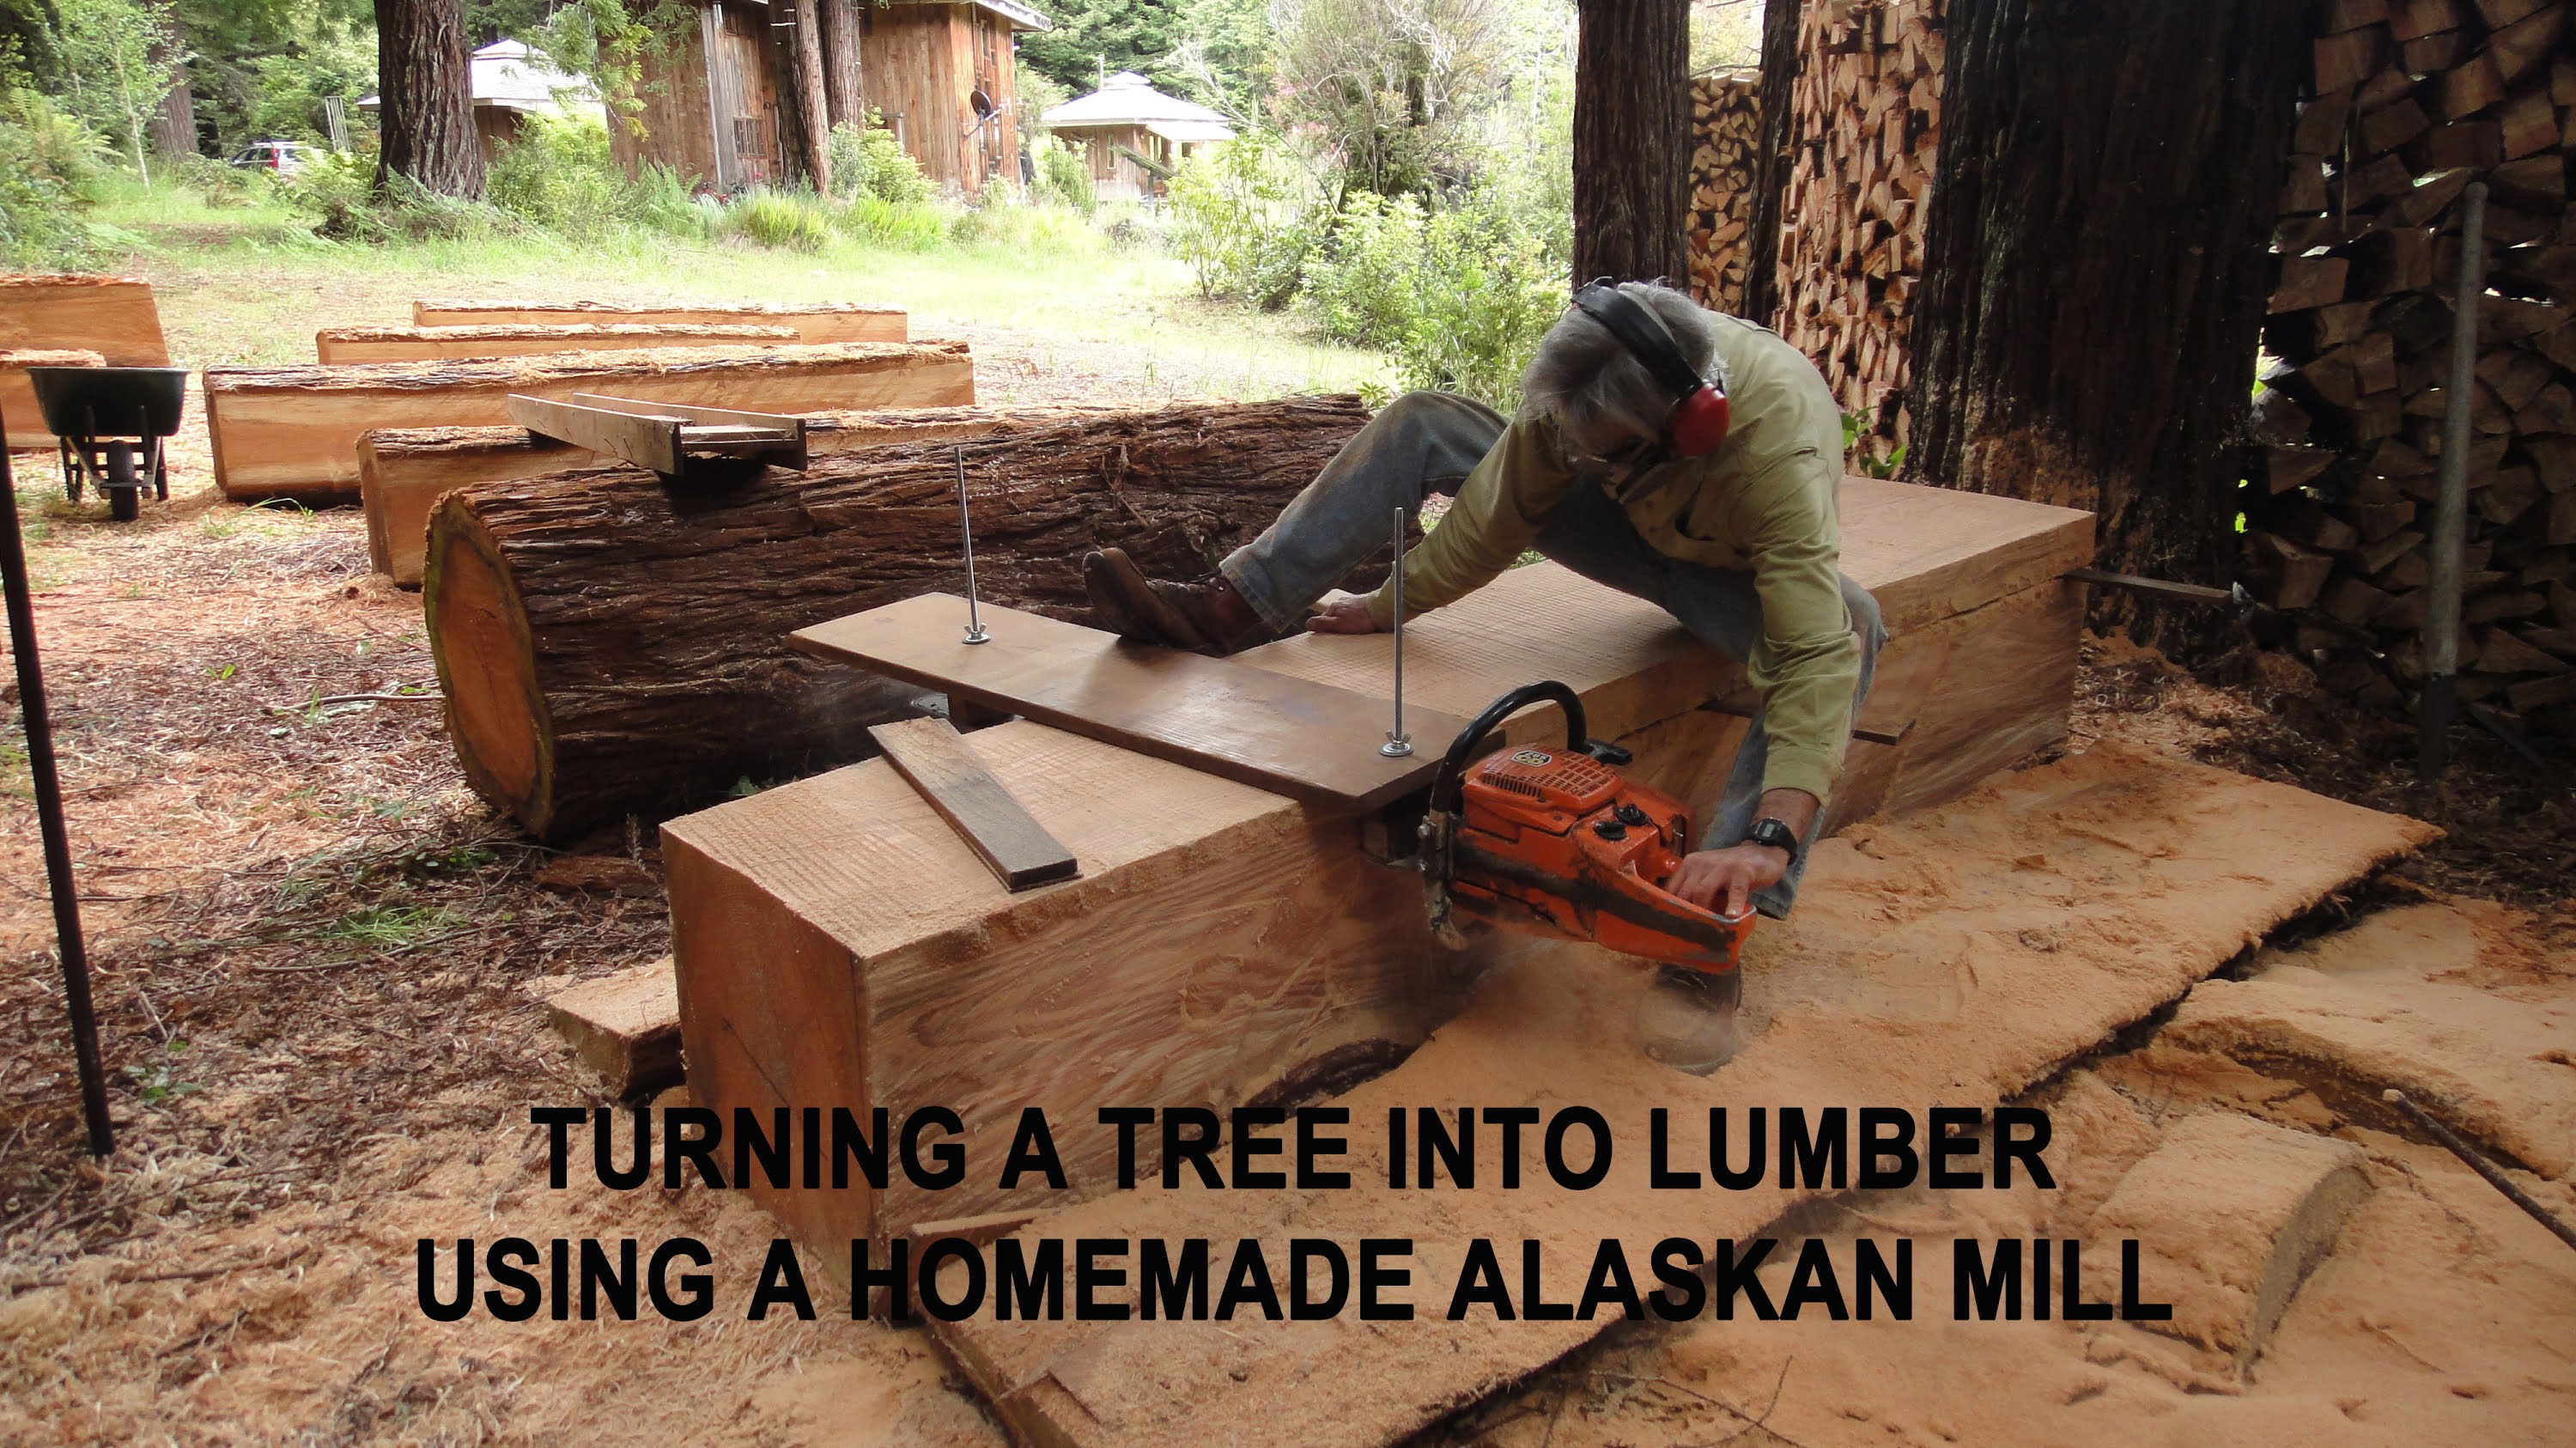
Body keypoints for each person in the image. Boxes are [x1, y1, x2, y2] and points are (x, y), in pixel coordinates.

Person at [1083, 279, 1883, 929]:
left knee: (1851, 624)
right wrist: (1388, 606)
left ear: (1687, 427)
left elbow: (1813, 650)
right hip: (1635, 531)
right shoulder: (1584, 394)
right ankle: (1232, 608)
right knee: (1424, 422)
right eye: (1565, 442)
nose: (1567, 457)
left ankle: (1721, 898)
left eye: (1588, 452)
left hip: (1723, 577)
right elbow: (1492, 522)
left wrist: (1772, 836)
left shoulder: (1773, 456)